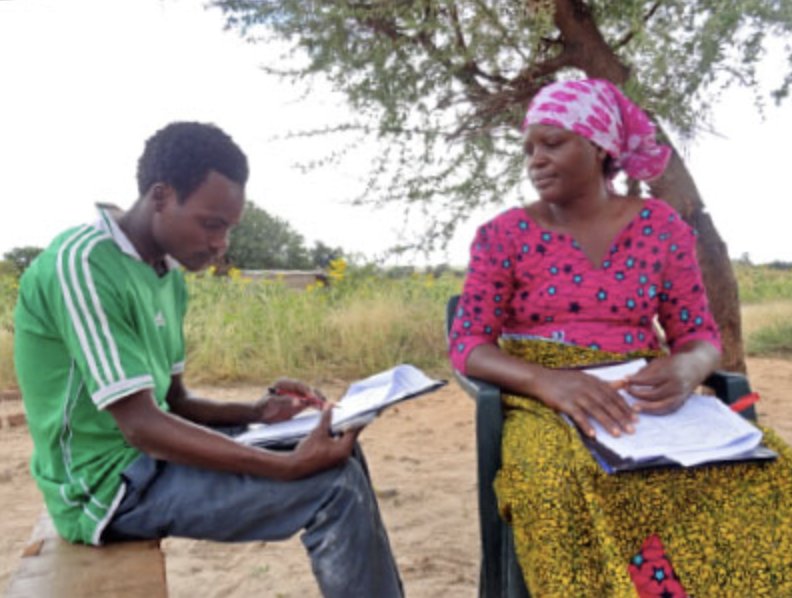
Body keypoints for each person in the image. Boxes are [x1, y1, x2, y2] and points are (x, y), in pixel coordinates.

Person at [14, 121, 403, 597]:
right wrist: (283, 467)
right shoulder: (83, 265)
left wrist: (256, 413)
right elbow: (141, 426)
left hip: (149, 458)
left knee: (339, 448)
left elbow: (175, 402)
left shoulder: (166, 274)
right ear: (161, 196)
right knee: (333, 487)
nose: (222, 244)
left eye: (229, 228)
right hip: (105, 488)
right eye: (212, 224)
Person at [448, 79, 792, 596]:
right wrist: (548, 383)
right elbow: (468, 343)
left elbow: (698, 333)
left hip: (641, 394)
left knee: (760, 471)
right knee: (553, 486)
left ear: (600, 148)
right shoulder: (503, 235)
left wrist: (686, 369)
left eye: (553, 143)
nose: (536, 160)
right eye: (529, 148)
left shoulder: (660, 226)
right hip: (542, 402)